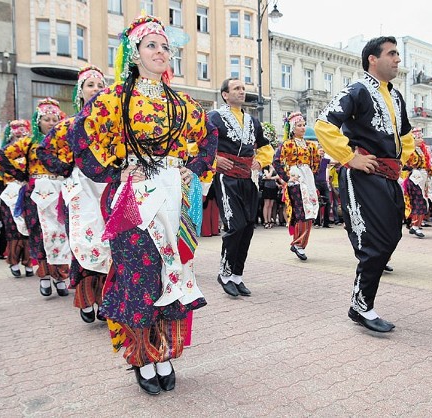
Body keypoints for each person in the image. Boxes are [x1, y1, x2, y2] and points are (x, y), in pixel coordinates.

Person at [65, 15, 217, 395]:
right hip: (134, 199)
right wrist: (113, 171)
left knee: (172, 272)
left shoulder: (181, 101)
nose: (161, 52)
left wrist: (193, 168)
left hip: (171, 197)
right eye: (152, 45)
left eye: (165, 47)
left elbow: (209, 134)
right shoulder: (116, 97)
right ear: (133, 54)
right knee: (138, 277)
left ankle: (163, 350)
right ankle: (142, 356)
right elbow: (78, 133)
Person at [314, 36, 414, 332]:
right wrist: (349, 157)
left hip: (388, 176)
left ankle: (362, 303)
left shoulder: (395, 96)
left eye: (398, 54)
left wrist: (399, 163)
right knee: (374, 241)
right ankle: (361, 305)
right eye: (392, 53)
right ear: (372, 58)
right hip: (364, 176)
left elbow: (405, 136)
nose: (398, 59)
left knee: (392, 236)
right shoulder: (357, 89)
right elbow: (324, 124)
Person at [37, 65, 111, 323]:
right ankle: (85, 298)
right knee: (83, 242)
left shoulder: (111, 125)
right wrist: (65, 168)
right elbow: (43, 151)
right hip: (81, 190)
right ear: (80, 92)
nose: (97, 90)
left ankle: (106, 298)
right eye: (90, 85)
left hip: (108, 188)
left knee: (110, 243)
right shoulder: (69, 125)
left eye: (101, 85)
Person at [0, 98, 70, 297]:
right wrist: (20, 174)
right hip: (35, 193)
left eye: (55, 118)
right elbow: (1, 155)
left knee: (60, 233)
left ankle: (60, 277)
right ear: (38, 121)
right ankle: (45, 277)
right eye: (47, 119)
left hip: (60, 191)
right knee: (38, 233)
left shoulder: (64, 142)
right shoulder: (29, 143)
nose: (51, 122)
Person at [209, 78, 273, 297]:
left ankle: (237, 275)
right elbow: (196, 143)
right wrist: (214, 159)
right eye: (236, 88)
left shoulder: (252, 121)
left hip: (248, 177)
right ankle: (224, 273)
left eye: (243, 89)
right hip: (226, 178)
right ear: (225, 94)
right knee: (234, 225)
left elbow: (265, 146)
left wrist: (261, 161)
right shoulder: (214, 117)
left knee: (247, 227)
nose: (241, 92)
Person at [272, 112, 320, 260]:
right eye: (299, 125)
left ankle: (300, 243)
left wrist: (311, 175)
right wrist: (287, 177)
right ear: (293, 128)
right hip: (295, 180)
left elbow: (315, 165)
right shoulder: (287, 144)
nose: (303, 127)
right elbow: (276, 161)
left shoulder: (310, 145)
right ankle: (298, 243)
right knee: (301, 211)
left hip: (307, 179)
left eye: (304, 125)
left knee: (310, 210)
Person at [0, 120, 33, 277]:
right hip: (10, 194)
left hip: (28, 192)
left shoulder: (31, 150)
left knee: (30, 228)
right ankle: (13, 261)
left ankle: (29, 262)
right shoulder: (5, 155)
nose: (20, 139)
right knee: (13, 230)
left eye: (23, 135)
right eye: (17, 136)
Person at [402, 128, 432, 238]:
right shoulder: (409, 150)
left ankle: (416, 224)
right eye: (418, 137)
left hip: (422, 177)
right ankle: (415, 225)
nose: (421, 139)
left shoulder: (422, 150)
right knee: (418, 201)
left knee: (422, 201)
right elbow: (406, 163)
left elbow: (427, 163)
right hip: (414, 178)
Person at [313, 147, 332, 228]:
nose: (322, 152)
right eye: (320, 151)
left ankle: (326, 223)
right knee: (317, 202)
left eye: (323, 151)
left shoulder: (325, 160)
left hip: (324, 183)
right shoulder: (314, 161)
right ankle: (317, 222)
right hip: (316, 183)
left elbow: (334, 162)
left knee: (328, 202)